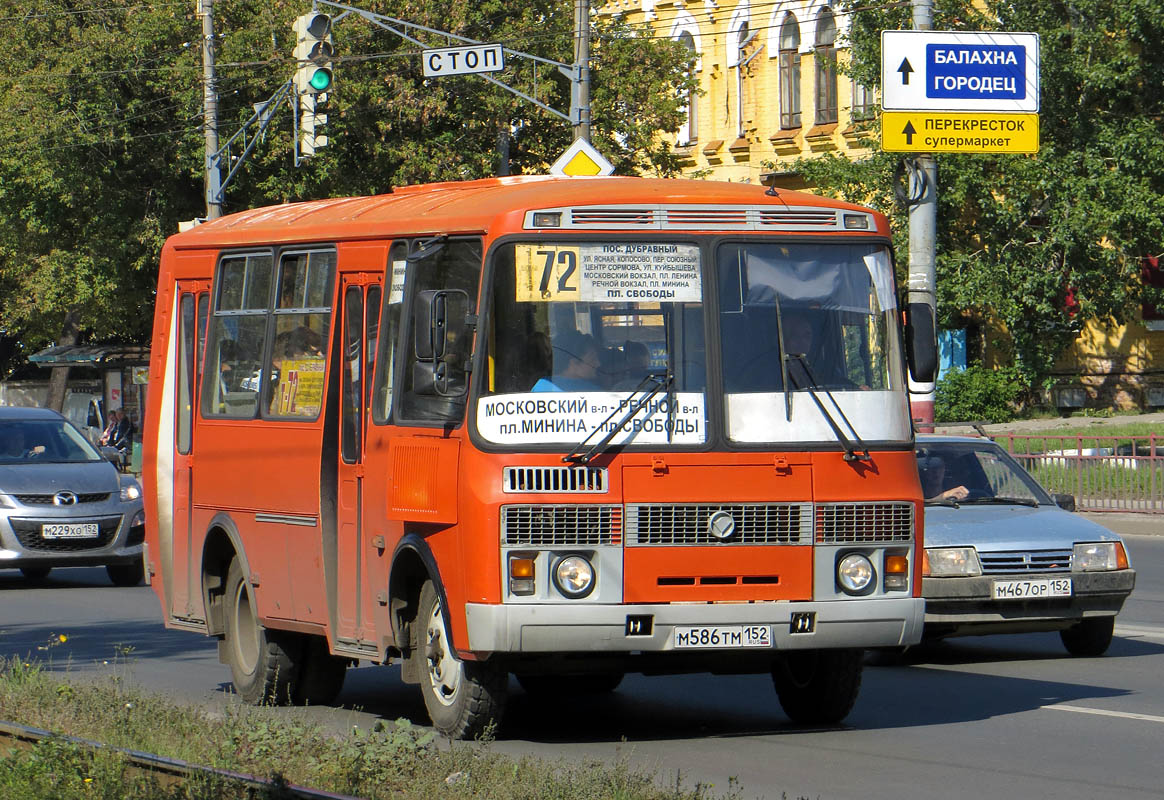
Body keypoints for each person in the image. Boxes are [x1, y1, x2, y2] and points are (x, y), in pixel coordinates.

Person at [532, 331, 603, 392]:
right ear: (574, 363)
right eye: (593, 359)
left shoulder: (541, 385)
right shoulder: (591, 391)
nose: (598, 364)